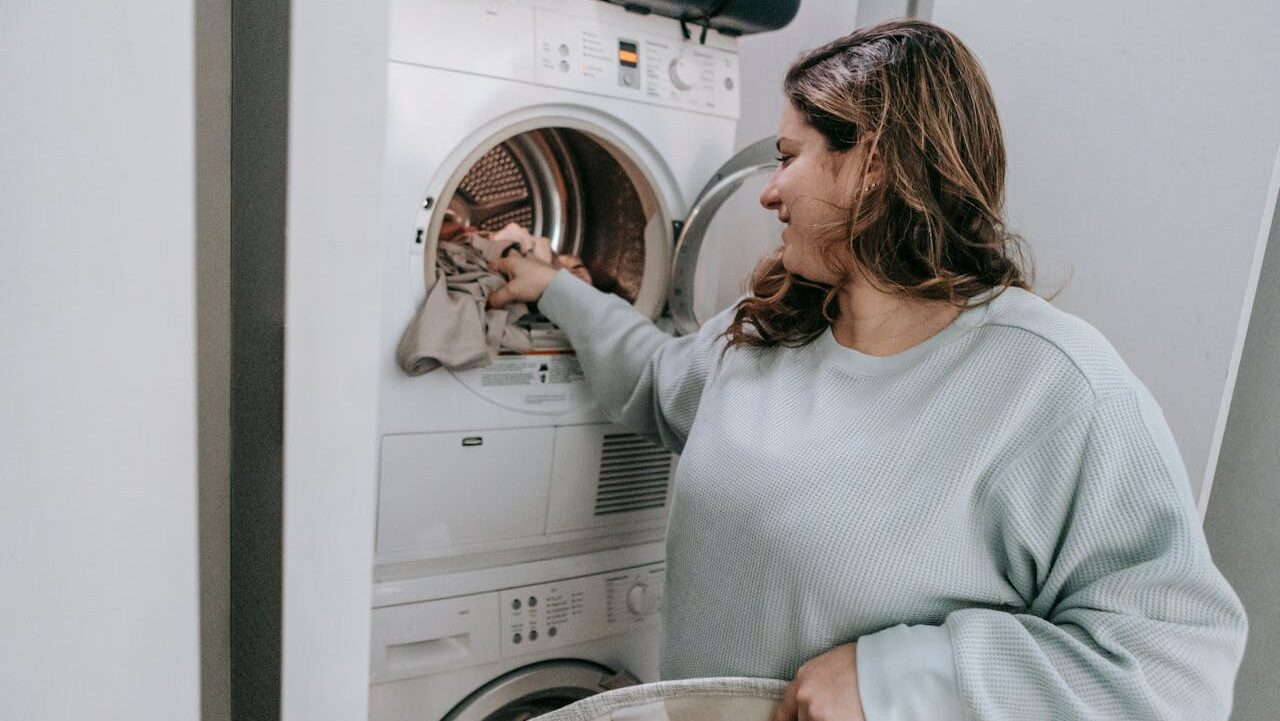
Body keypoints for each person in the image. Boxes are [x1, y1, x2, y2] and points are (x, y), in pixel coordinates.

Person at [487, 19, 1247, 721]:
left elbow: (1175, 668)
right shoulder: (771, 330)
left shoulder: (1053, 387)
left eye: (789, 158)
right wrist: (557, 287)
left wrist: (900, 677)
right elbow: (654, 378)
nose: (769, 190)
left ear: (875, 164)